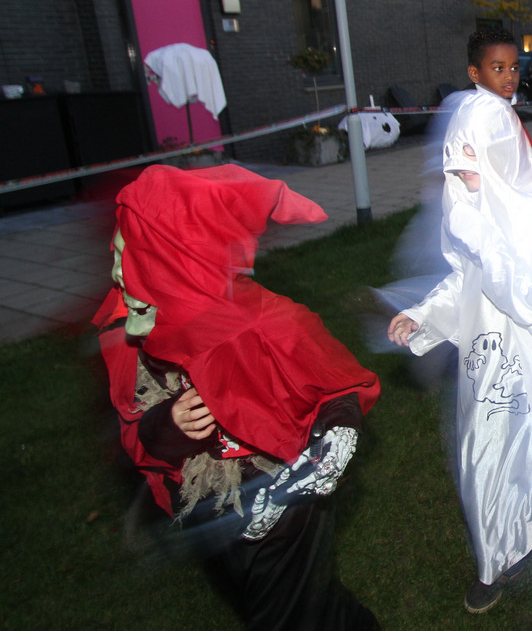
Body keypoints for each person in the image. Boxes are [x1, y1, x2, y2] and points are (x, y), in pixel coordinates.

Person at [95, 164, 381, 630]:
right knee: (302, 602)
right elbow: (137, 433)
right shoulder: (132, 334)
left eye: (130, 255)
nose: (117, 270)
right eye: (118, 251)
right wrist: (168, 424)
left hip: (283, 499)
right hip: (207, 504)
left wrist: (332, 441)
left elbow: (339, 386)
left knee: (282, 614)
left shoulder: (266, 322)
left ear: (170, 262)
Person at [387, 90, 532, 612]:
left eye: (472, 159)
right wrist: (423, 314)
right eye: (455, 162)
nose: (461, 173)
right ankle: (495, 556)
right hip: (489, 357)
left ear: (499, 152)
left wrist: (485, 241)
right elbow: (462, 279)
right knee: (488, 452)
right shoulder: (466, 212)